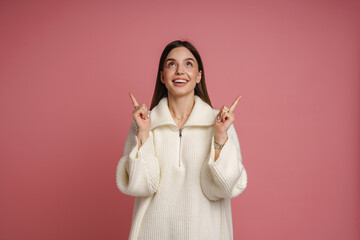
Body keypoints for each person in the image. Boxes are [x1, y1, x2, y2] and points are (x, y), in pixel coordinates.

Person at [116, 40, 248, 240]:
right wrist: (144, 133)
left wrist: (219, 138)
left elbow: (222, 189)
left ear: (199, 76)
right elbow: (141, 185)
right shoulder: (143, 123)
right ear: (162, 76)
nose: (179, 71)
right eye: (171, 64)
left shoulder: (220, 123)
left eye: (188, 64)